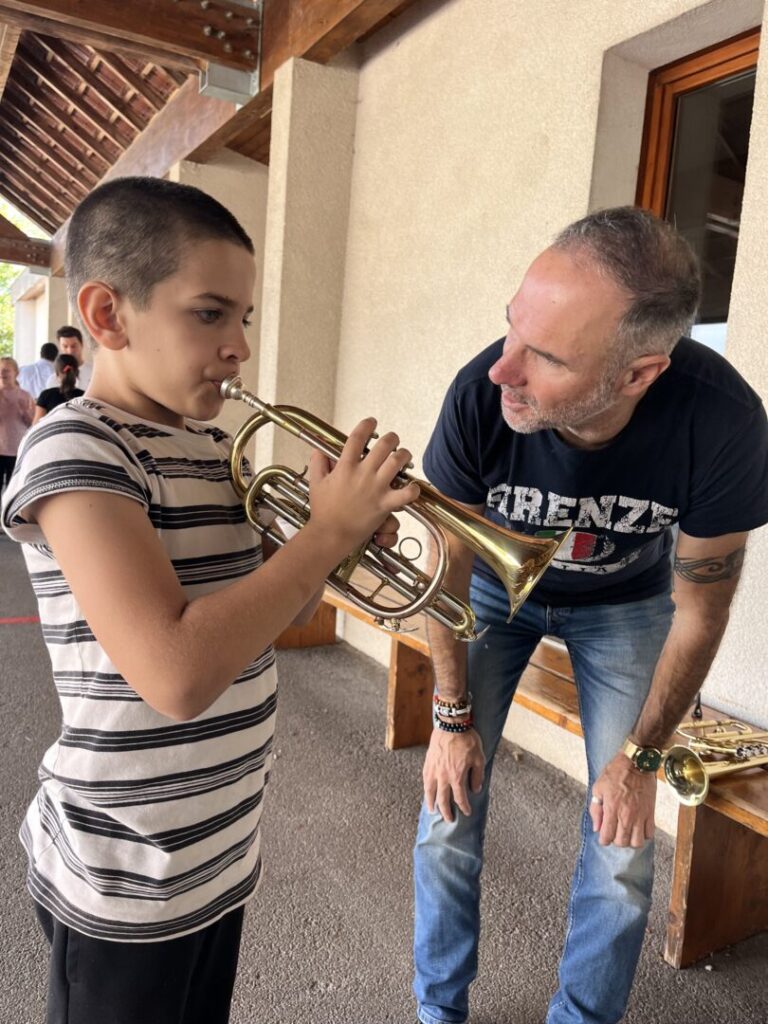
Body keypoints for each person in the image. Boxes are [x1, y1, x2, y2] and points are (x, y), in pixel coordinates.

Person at [1, 176, 419, 1024]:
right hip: (126, 877)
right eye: (209, 314)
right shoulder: (76, 448)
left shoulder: (213, 447)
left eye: (245, 319)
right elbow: (177, 673)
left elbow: (264, 613)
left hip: (216, 849)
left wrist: (331, 541)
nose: (240, 347)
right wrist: (322, 538)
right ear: (109, 315)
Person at [412, 206, 768, 1024]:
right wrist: (449, 716)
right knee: (446, 808)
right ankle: (438, 1011)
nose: (503, 369)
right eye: (513, 327)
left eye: (546, 356)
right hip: (491, 593)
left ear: (638, 374)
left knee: (621, 842)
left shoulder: (722, 423)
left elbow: (700, 609)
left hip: (626, 606)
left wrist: (642, 759)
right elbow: (446, 566)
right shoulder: (480, 393)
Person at [0, 356, 35, 495]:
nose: (2, 373)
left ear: (16, 373)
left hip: (17, 449)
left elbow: (32, 424)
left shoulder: (25, 396)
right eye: (0, 370)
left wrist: (25, 410)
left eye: (6, 370)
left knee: (13, 491)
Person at [32, 353, 84, 423]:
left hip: (51, 430)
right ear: (77, 373)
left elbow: (36, 425)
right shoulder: (84, 396)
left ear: (56, 374)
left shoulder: (46, 395)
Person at [43, 324, 93, 390]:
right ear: (60, 347)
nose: (70, 351)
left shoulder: (93, 372)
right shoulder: (53, 380)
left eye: (73, 346)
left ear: (81, 345)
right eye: (65, 346)